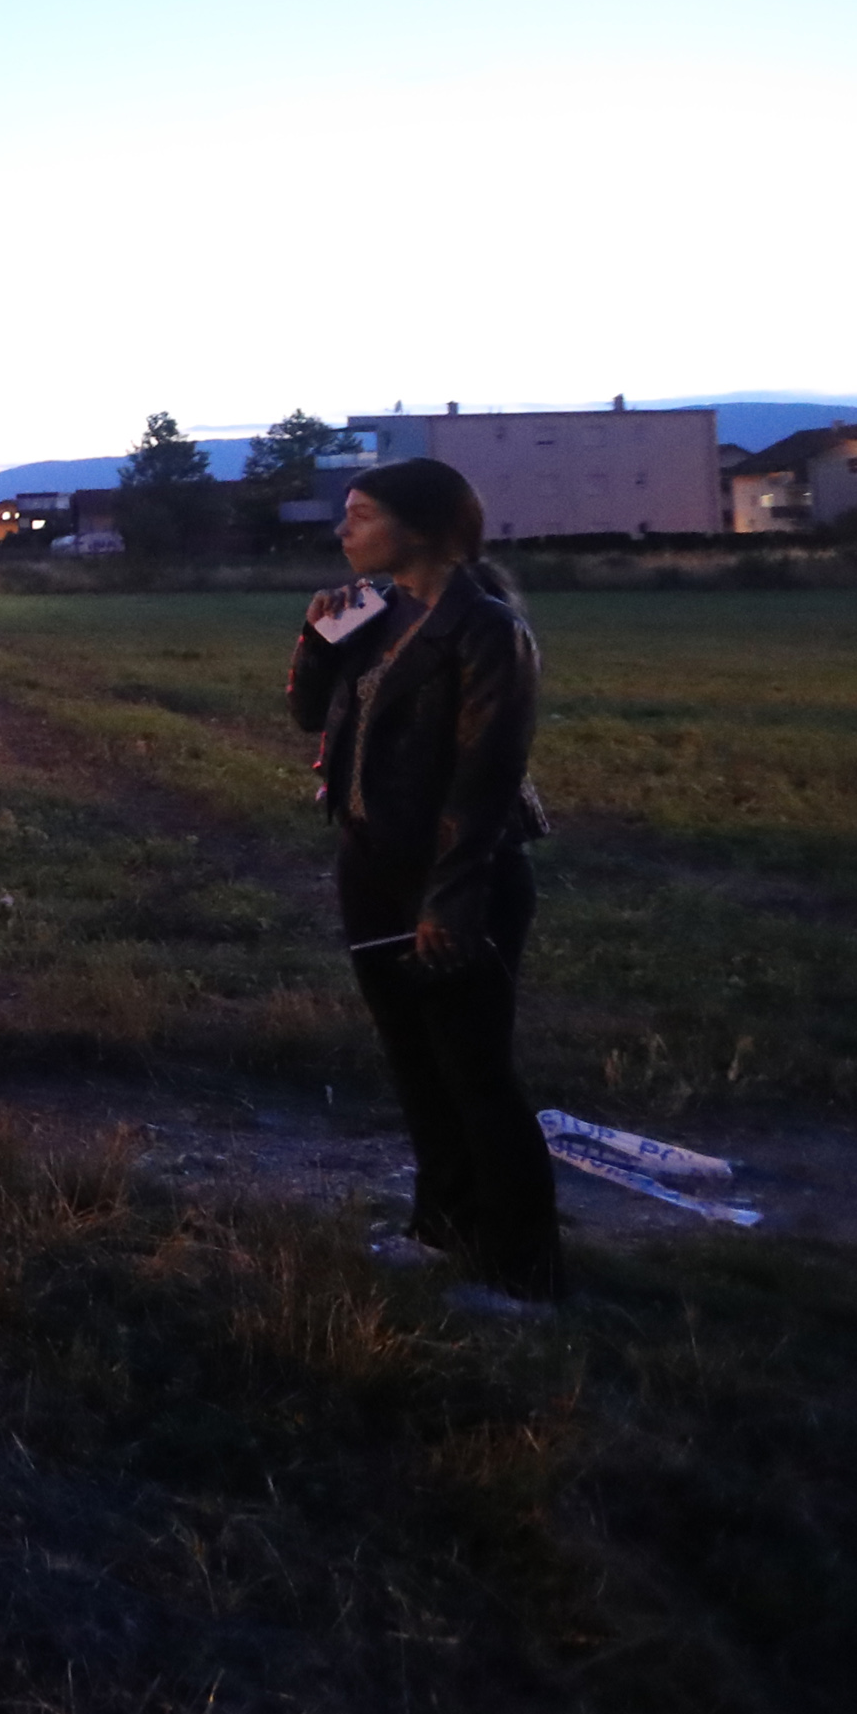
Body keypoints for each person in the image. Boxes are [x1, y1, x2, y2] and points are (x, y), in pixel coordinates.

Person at [287, 456, 564, 1306]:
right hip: (372, 866)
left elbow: (486, 775)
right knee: (415, 1062)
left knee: (474, 1069)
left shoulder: (486, 630)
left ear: (424, 526)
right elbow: (308, 714)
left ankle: (524, 1270)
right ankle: (442, 1227)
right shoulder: (375, 613)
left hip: (455, 876)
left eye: (362, 513)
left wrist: (453, 894)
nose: (345, 529)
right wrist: (316, 637)